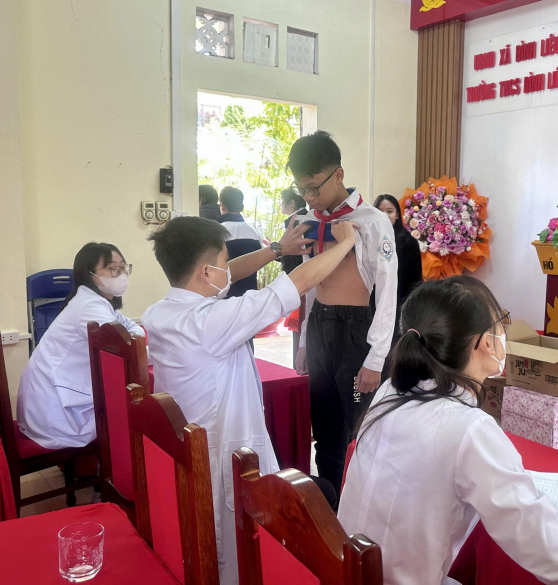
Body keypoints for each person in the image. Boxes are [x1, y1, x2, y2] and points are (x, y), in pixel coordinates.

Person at [338, 277, 558, 585]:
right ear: (485, 342)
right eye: (502, 321)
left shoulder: (391, 390)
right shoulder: (470, 429)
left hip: (351, 574)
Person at [143, 215, 355, 585]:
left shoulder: (161, 312)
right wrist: (347, 243)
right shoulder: (210, 321)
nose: (229, 271)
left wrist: (277, 249)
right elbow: (297, 283)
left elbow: (226, 275)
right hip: (223, 456)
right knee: (238, 552)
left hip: (192, 448)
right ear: (206, 272)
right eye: (223, 262)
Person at [289, 131, 398, 498]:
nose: (309, 197)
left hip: (356, 334)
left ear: (338, 174)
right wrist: (305, 342)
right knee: (324, 428)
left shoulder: (372, 221)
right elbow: (309, 286)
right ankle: (331, 505)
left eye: (314, 188)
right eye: (302, 189)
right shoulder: (307, 220)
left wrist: (376, 358)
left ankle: (362, 509)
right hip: (320, 328)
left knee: (358, 429)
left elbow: (388, 291)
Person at [17, 243, 142, 449]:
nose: (121, 274)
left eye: (123, 267)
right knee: (132, 411)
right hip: (53, 412)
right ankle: (118, 467)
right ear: (90, 274)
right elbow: (128, 349)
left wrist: (136, 339)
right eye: (113, 268)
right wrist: (143, 346)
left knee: (125, 403)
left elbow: (132, 328)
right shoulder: (89, 305)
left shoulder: (95, 301)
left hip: (50, 400)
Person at [373, 193, 423, 348]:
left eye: (389, 211)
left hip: (397, 305)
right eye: (380, 211)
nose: (385, 215)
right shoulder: (368, 238)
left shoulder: (409, 242)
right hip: (371, 304)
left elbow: (415, 280)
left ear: (397, 214)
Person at [218, 186, 265, 298]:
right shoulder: (254, 232)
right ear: (242, 207)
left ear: (222, 206)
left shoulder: (216, 232)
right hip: (249, 295)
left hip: (224, 298)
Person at [279, 187, 309, 366]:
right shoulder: (305, 218)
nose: (280, 204)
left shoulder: (295, 221)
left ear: (292, 203)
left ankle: (299, 364)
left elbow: (293, 256)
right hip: (306, 280)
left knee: (301, 325)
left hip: (300, 282)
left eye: (282, 201)